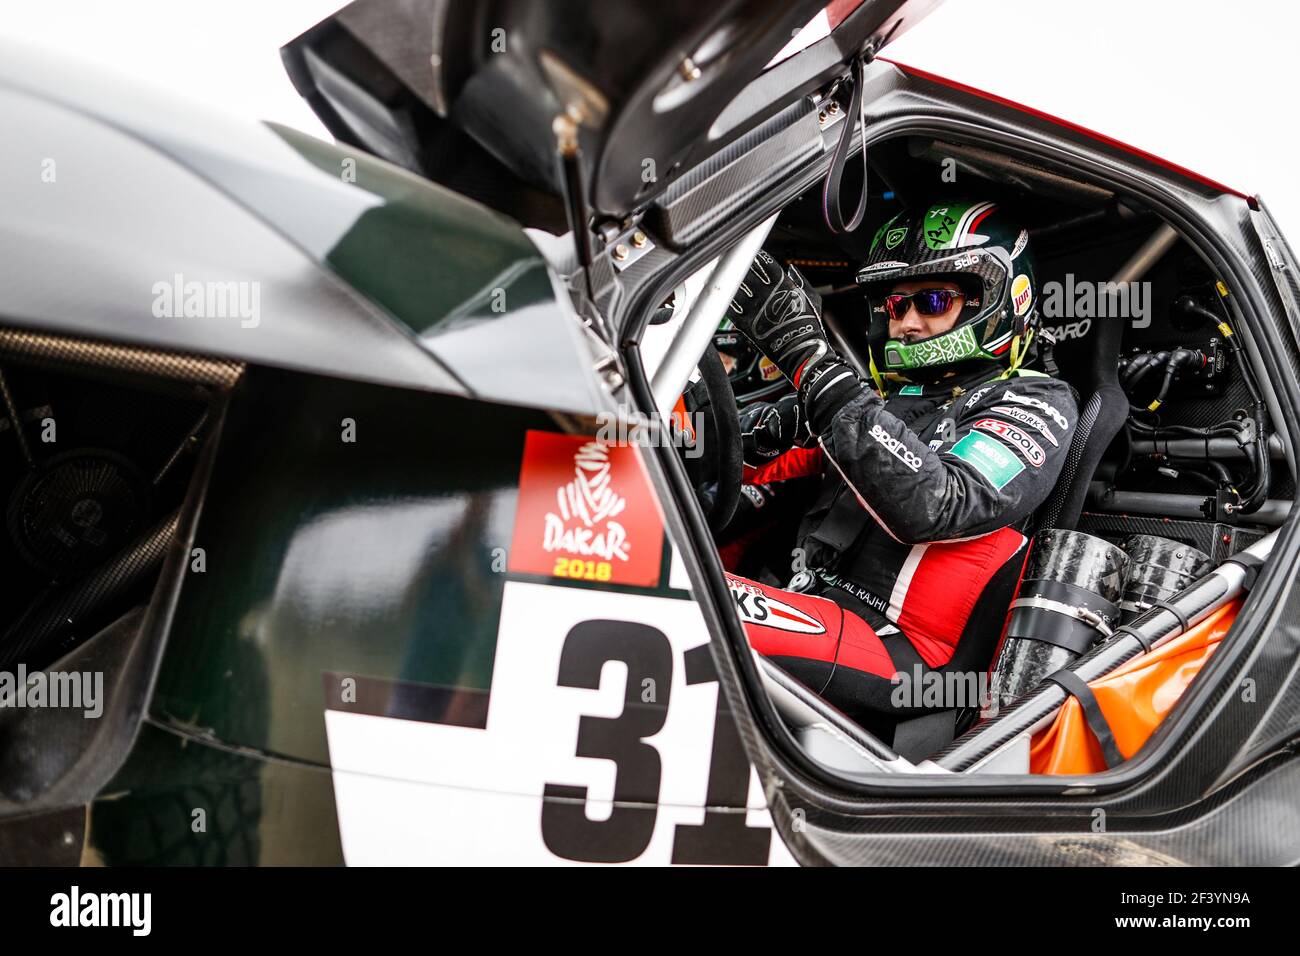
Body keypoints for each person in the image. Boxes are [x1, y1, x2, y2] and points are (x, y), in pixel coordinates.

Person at [723, 201, 1078, 727]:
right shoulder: (883, 401)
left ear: (999, 300)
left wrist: (812, 363)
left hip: (901, 652)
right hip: (809, 600)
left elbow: (941, 503)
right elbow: (741, 458)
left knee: (679, 601)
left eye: (933, 300)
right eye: (895, 305)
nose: (907, 324)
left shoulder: (1036, 400)